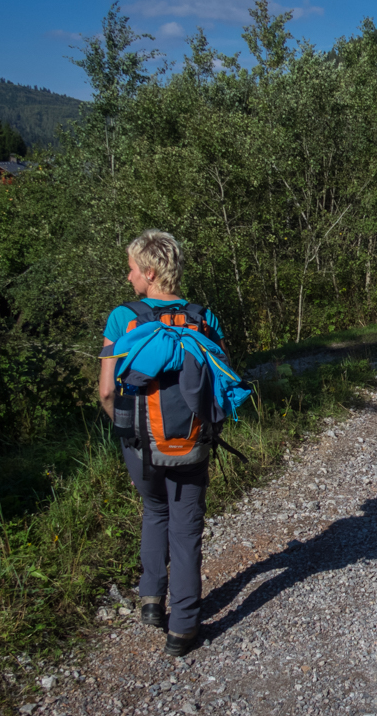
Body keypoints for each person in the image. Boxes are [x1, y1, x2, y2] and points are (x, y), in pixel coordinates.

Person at [98, 230, 224, 656]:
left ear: (150, 273)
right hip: (191, 441)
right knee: (186, 530)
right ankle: (183, 628)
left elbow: (105, 392)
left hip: (139, 443)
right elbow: (217, 387)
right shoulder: (204, 318)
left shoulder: (123, 318)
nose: (129, 275)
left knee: (154, 510)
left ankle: (152, 600)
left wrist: (128, 432)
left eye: (132, 268)